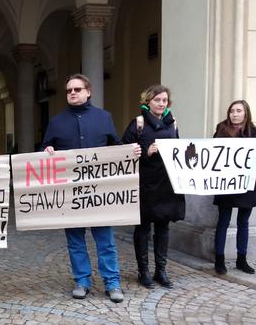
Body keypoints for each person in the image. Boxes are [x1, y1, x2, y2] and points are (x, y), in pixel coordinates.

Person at [42, 73, 140, 303]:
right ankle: (82, 280)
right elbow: (46, 147)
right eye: (69, 90)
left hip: (99, 195)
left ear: (88, 92)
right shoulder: (56, 122)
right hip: (70, 196)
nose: (72, 93)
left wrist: (129, 152)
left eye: (77, 89)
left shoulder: (103, 118)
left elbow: (115, 146)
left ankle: (112, 282)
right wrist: (46, 150)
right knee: (75, 241)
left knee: (105, 240)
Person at [121, 85, 185, 289]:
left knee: (163, 228)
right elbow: (123, 153)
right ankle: (143, 271)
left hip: (167, 184)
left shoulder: (173, 124)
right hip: (144, 184)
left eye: (164, 100)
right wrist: (146, 153)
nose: (161, 103)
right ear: (148, 101)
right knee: (142, 229)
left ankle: (161, 270)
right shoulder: (138, 124)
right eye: (157, 100)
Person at [213, 100, 256, 274]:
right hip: (227, 184)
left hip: (247, 183)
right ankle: (219, 260)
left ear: (246, 113)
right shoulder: (221, 130)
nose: (234, 114)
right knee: (223, 221)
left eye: (238, 110)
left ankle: (241, 259)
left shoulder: (254, 133)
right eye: (232, 111)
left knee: (243, 222)